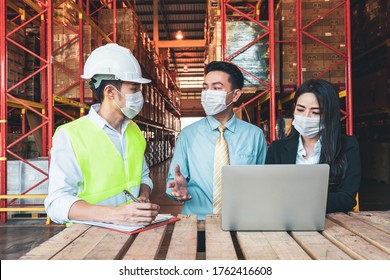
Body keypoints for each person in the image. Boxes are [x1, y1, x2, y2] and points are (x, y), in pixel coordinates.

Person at [45, 43, 160, 225]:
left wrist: (143, 196)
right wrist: (117, 215)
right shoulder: (71, 135)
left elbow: (143, 176)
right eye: (134, 88)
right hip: (88, 238)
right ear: (110, 92)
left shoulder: (134, 131)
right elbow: (56, 203)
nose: (139, 95)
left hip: (132, 231)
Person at [166, 61, 268, 220]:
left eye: (217, 88)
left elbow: (263, 183)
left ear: (235, 94)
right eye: (205, 88)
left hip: (241, 222)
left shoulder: (254, 135)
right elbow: (174, 181)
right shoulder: (188, 135)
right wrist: (176, 191)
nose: (208, 93)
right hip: (195, 222)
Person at [265, 79, 361, 213]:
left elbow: (347, 197)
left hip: (330, 223)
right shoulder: (277, 149)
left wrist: (300, 203)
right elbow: (269, 192)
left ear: (330, 114)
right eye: (300, 109)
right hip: (286, 221)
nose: (306, 117)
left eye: (315, 112)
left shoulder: (347, 146)